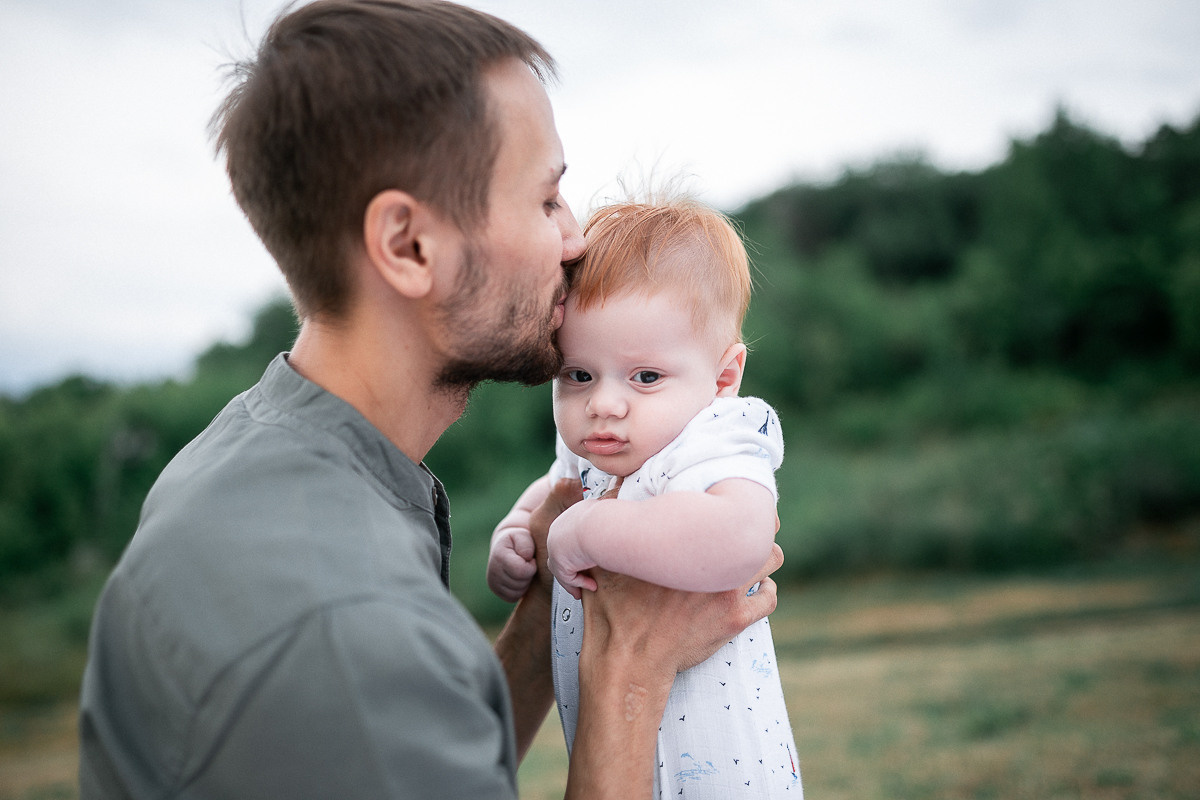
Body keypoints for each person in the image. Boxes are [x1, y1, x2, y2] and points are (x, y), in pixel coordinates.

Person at [76, 2, 784, 798]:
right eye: (545, 199)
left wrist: (552, 594)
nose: (575, 238)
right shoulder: (340, 630)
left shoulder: (249, 461)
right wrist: (632, 671)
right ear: (410, 246)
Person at [488, 197, 801, 797]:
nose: (603, 403)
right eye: (578, 375)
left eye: (645, 377)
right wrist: (517, 530)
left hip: (725, 775)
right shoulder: (596, 451)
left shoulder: (716, 435)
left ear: (723, 378)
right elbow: (552, 491)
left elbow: (741, 536)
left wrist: (586, 533)